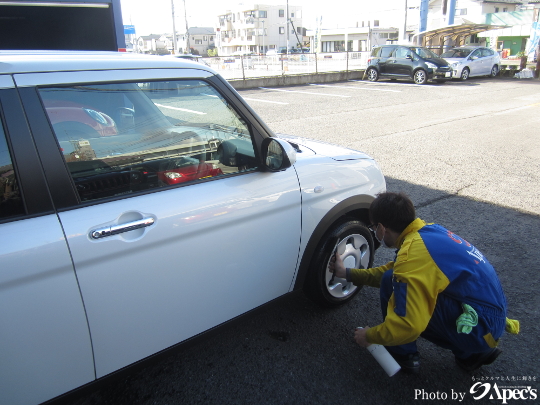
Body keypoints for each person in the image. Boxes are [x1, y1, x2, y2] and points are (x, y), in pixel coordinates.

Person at [329, 192, 519, 373]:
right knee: (393, 278)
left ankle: (403, 354)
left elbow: (409, 325)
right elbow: (393, 272)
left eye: (373, 228)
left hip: (481, 326)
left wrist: (369, 336)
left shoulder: (413, 255)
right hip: (490, 315)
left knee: (397, 289)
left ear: (381, 228)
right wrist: (346, 273)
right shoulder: (428, 233)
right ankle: (471, 355)